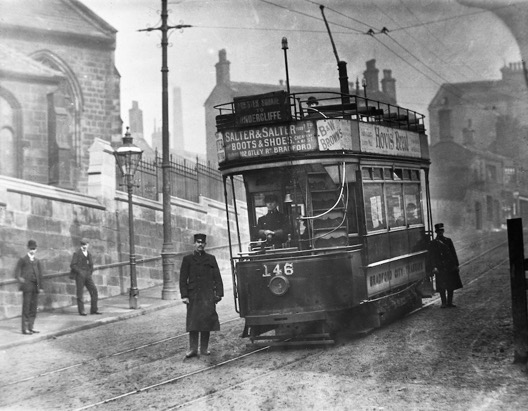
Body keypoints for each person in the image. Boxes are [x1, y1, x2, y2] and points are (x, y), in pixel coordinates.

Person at [179, 233, 224, 358]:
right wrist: (184, 295)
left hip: (207, 295)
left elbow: (217, 277)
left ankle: (204, 349)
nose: (200, 245)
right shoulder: (187, 259)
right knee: (193, 322)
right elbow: (183, 279)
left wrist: (219, 293)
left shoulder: (211, 259)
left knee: (206, 322)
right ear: (194, 244)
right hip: (193, 295)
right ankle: (193, 349)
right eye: (198, 242)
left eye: (202, 243)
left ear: (205, 244)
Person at [428, 223, 463, 308]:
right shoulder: (433, 243)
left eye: (441, 230)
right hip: (440, 267)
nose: (440, 232)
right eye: (438, 231)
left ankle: (449, 302)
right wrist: (434, 267)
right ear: (436, 232)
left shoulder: (448, 240)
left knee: (450, 285)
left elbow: (453, 253)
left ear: (443, 231)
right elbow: (432, 256)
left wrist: (456, 265)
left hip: (449, 266)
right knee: (441, 286)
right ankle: (443, 303)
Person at [15, 240, 44, 335]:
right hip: (27, 287)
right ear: (28, 248)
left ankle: (30, 327)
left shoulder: (37, 261)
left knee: (33, 308)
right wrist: (21, 279)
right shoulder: (23, 260)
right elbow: (16, 273)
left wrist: (41, 287)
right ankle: (25, 329)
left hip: (35, 287)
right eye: (31, 248)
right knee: (26, 308)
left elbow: (40, 275)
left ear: (36, 249)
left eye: (34, 249)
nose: (32, 250)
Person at [70, 238, 101, 316]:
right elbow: (73, 265)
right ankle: (82, 311)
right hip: (80, 276)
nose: (84, 246)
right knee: (80, 293)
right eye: (83, 244)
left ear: (88, 245)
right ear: (81, 245)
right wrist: (80, 272)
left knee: (94, 291)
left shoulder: (88, 254)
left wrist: (90, 272)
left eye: (86, 244)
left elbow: (91, 264)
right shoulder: (77, 253)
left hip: (87, 275)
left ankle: (94, 310)